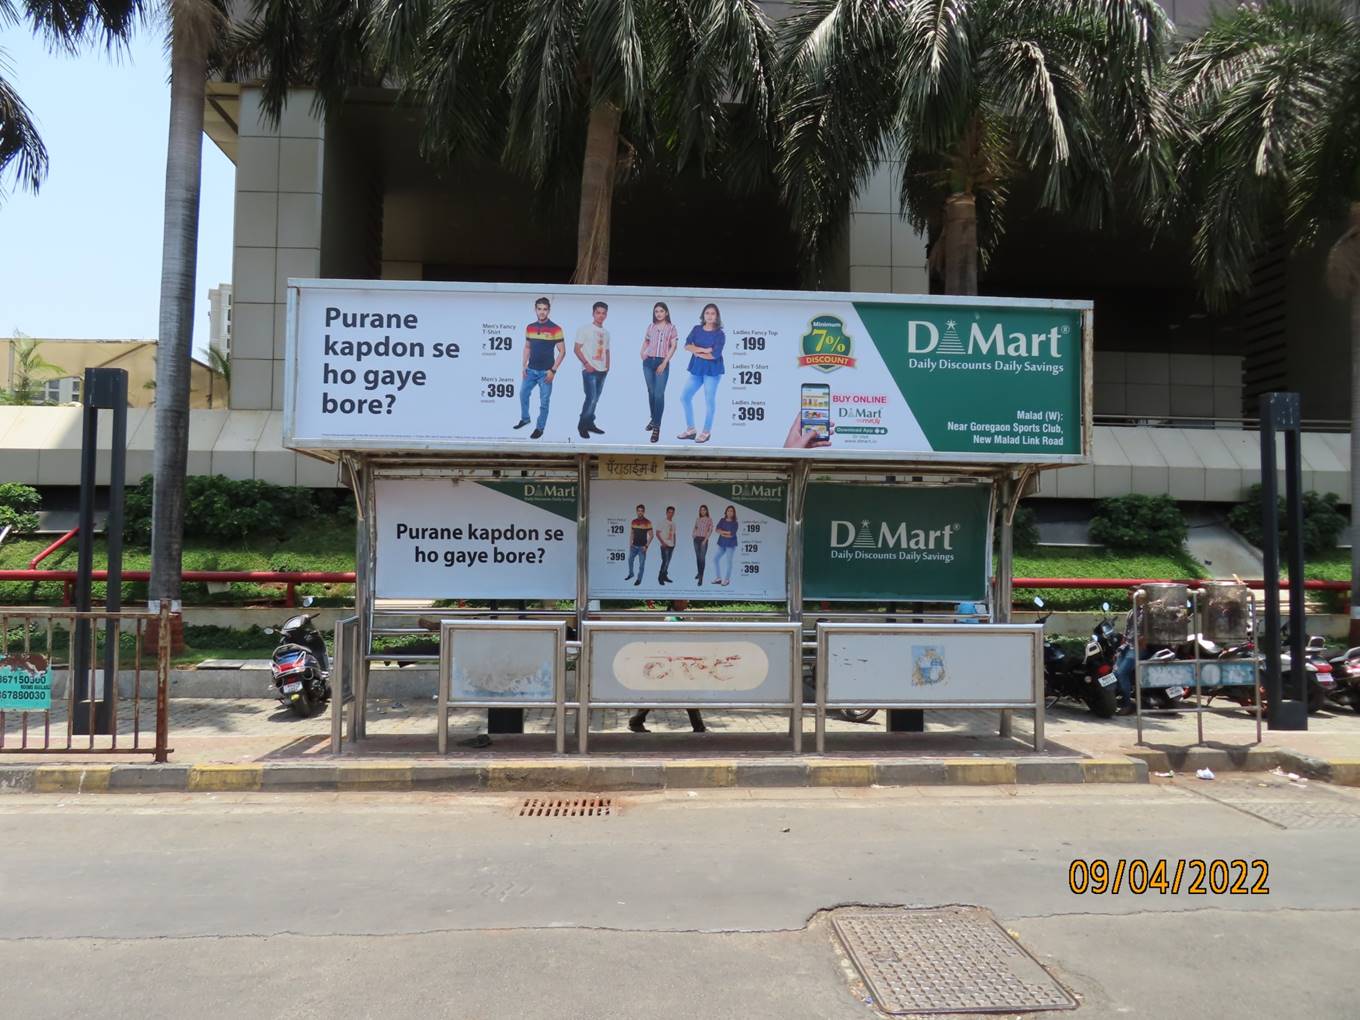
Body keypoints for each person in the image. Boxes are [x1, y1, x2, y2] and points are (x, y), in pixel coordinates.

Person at [629, 600, 706, 733]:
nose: (687, 602)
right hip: (672, 663)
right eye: (684, 600)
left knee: (680, 693)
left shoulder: (678, 616)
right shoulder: (671, 619)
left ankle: (636, 721)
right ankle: (699, 727)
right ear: (676, 602)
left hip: (676, 662)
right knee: (687, 694)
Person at [515, 296, 564, 439]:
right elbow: (527, 347)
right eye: (539, 309)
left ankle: (540, 428)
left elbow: (563, 351)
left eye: (545, 309)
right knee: (523, 394)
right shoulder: (530, 327)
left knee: (544, 403)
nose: (542, 312)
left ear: (549, 311)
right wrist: (523, 365)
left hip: (546, 373)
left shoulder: (556, 329)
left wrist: (553, 370)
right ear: (535, 310)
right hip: (530, 370)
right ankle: (525, 419)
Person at [676, 303, 725, 444]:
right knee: (685, 397)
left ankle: (706, 431)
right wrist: (704, 350)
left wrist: (697, 352)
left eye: (713, 313)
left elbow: (714, 355)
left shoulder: (720, 334)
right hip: (696, 369)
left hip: (712, 371)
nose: (709, 316)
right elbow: (686, 345)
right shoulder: (696, 329)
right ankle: (691, 429)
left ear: (717, 316)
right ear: (703, 315)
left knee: (709, 401)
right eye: (707, 313)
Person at [640, 302, 677, 444]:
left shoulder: (672, 328)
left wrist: (664, 362)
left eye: (661, 311)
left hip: (662, 361)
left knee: (659, 394)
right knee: (650, 391)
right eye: (656, 311)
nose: (659, 313)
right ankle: (653, 419)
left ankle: (657, 427)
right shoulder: (651, 327)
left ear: (666, 312)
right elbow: (646, 341)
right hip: (648, 362)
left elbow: (673, 347)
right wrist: (642, 352)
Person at [574, 301, 610, 439]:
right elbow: (576, 349)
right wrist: (586, 363)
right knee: (591, 398)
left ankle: (590, 423)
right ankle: (582, 425)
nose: (601, 315)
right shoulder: (585, 329)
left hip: (602, 370)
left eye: (603, 313)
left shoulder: (606, 333)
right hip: (590, 369)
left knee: (596, 399)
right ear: (593, 313)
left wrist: (608, 366)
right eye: (598, 312)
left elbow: (607, 350)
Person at [625, 504, 652, 586]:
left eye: (641, 511)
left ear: (644, 512)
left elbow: (651, 535)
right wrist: (630, 544)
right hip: (634, 546)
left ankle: (639, 579)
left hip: (642, 548)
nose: (640, 512)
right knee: (630, 561)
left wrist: (646, 546)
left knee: (641, 565)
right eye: (638, 511)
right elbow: (632, 533)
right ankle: (631, 574)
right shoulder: (633, 521)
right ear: (636, 511)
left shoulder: (647, 522)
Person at [712, 504, 738, 586]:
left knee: (729, 562)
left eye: (731, 511)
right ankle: (718, 578)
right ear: (726, 512)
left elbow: (731, 534)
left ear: (733, 513)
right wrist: (725, 533)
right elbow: (716, 529)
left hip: (730, 544)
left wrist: (722, 532)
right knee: (715, 559)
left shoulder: (735, 523)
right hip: (722, 543)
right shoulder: (722, 520)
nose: (730, 512)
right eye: (728, 510)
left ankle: (726, 580)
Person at [655, 505, 677, 584]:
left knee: (668, 562)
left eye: (672, 512)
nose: (671, 514)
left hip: (671, 545)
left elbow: (674, 534)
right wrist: (662, 543)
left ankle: (664, 576)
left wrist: (675, 543)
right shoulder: (662, 522)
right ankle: (660, 577)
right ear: (666, 513)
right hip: (665, 545)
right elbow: (657, 533)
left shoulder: (673, 523)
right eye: (669, 512)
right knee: (665, 562)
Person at [692, 504, 713, 585]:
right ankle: (699, 573)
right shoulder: (698, 519)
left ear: (706, 511)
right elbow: (695, 527)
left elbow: (710, 530)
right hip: (696, 539)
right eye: (701, 510)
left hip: (703, 539)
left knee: (702, 558)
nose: (702, 511)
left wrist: (705, 540)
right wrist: (693, 533)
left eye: (704, 510)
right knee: (698, 558)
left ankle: (701, 578)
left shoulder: (709, 519)